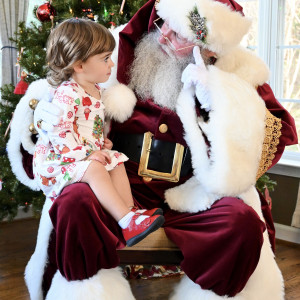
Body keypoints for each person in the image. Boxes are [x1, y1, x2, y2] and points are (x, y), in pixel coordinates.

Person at [7, 0, 298, 299]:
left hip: (189, 193)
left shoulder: (238, 72)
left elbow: (276, 133)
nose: (162, 37)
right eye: (164, 24)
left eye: (179, 35)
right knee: (74, 200)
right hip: (117, 189)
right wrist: (43, 110)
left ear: (207, 48)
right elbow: (63, 79)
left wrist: (222, 102)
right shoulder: (117, 47)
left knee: (242, 222)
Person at [33, 18, 164, 248]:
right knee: (95, 167)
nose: (111, 65)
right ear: (79, 65)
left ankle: (131, 216)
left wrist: (99, 142)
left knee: (116, 160)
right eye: (105, 59)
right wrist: (86, 155)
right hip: (59, 162)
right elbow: (58, 132)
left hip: (81, 153)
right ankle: (126, 218)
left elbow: (85, 126)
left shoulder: (95, 90)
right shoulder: (68, 94)